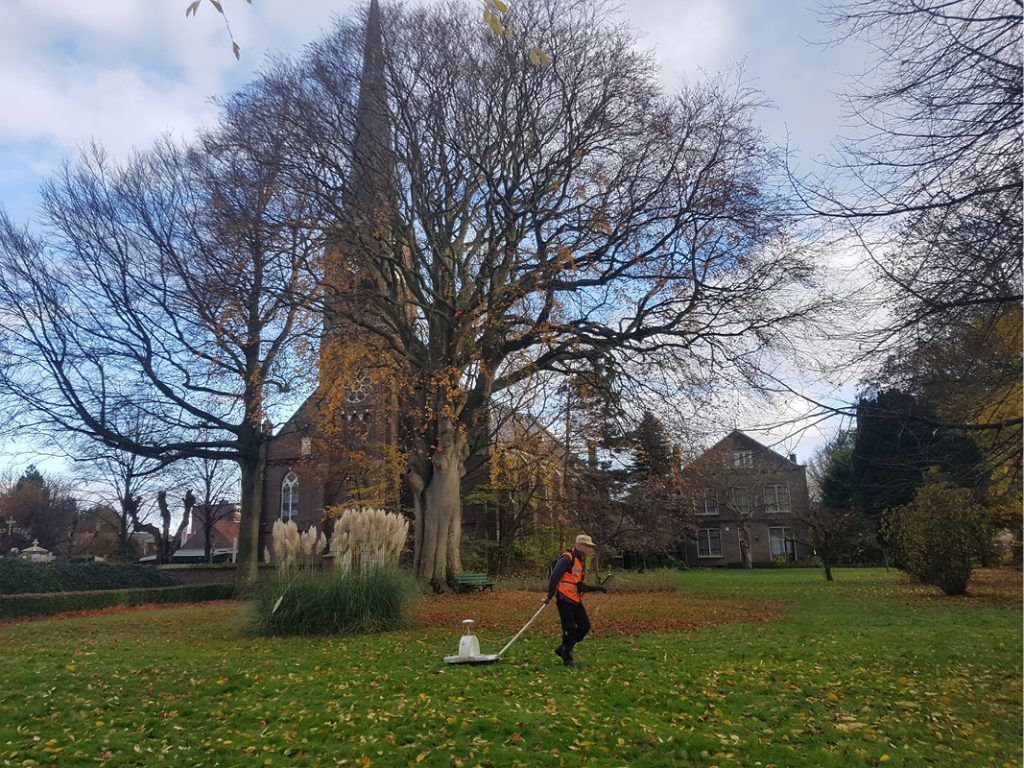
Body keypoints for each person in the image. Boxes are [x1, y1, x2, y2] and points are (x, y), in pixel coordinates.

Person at [543, 534, 605, 666]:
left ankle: (564, 648)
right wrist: (549, 595)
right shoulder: (567, 558)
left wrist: (596, 588)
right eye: (588, 547)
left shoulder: (581, 560)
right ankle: (567, 657)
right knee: (569, 628)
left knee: (584, 627)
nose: (590, 550)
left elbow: (578, 584)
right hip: (564, 599)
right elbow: (554, 577)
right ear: (580, 546)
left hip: (575, 599)